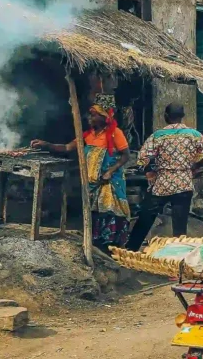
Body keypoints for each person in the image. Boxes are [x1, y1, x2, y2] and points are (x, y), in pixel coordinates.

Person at [32, 104, 131, 253]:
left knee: (110, 212)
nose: (89, 118)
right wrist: (46, 144)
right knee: (95, 213)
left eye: (94, 115)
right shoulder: (87, 135)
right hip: (92, 183)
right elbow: (66, 148)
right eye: (90, 115)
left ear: (105, 118)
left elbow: (126, 156)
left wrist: (110, 171)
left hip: (109, 181)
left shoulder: (115, 133)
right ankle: (97, 246)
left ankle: (111, 248)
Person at [126, 103, 203, 251]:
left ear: (166, 116)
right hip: (184, 183)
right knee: (180, 226)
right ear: (182, 117)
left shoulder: (158, 135)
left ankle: (130, 249)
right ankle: (178, 257)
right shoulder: (193, 134)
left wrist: (149, 170)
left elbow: (142, 158)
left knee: (146, 217)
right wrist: (196, 165)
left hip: (162, 183)